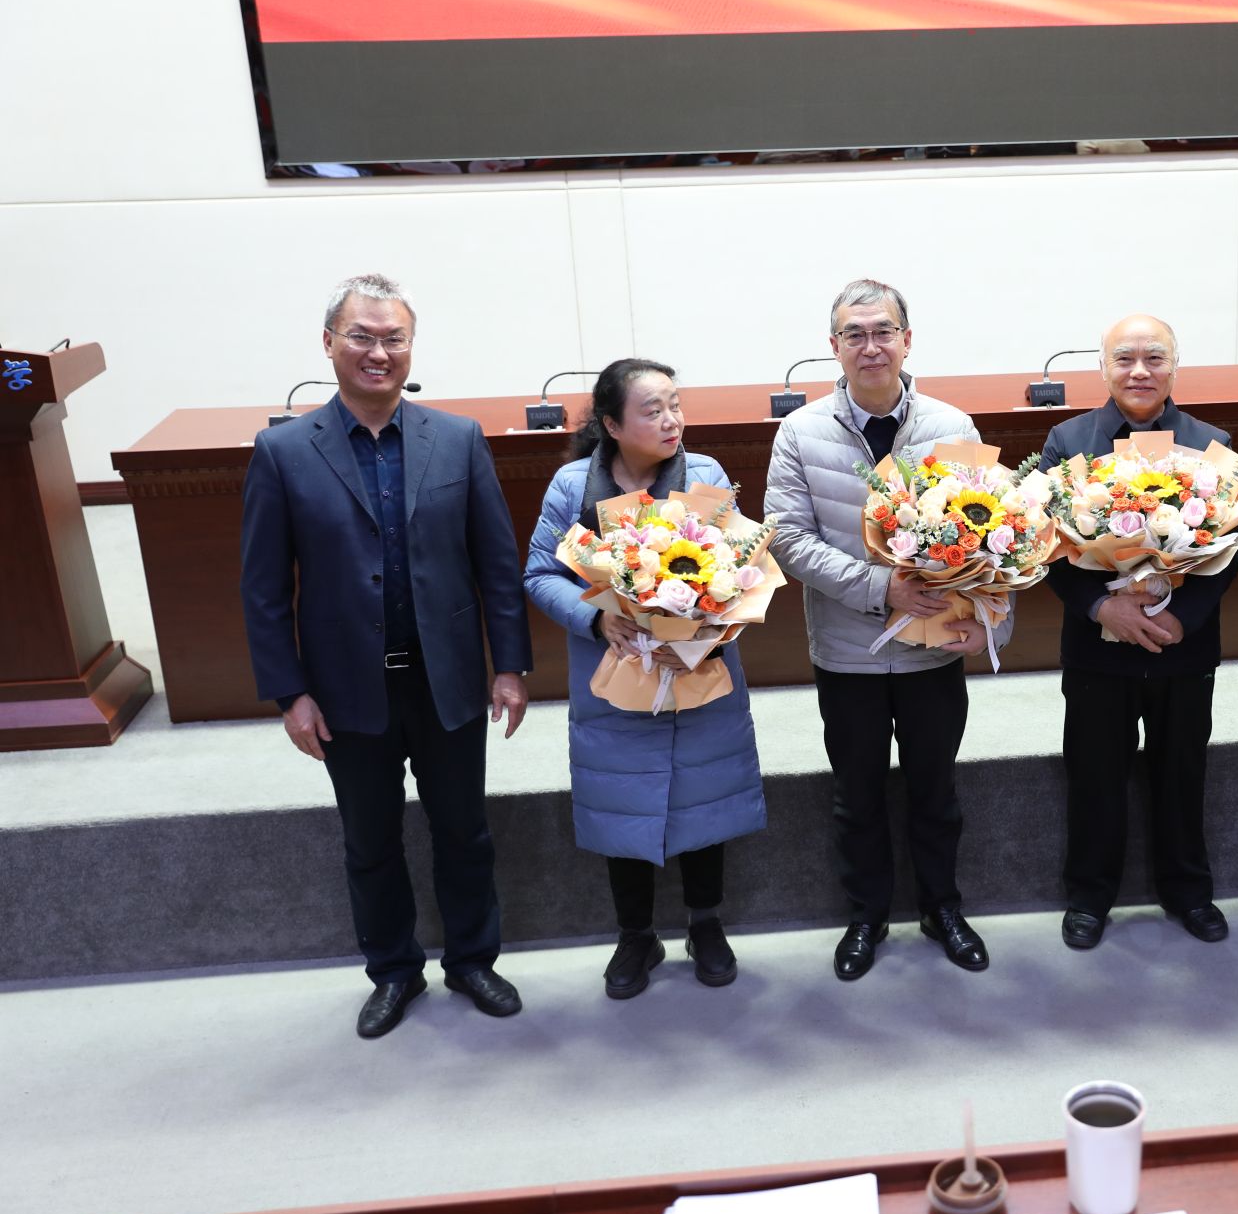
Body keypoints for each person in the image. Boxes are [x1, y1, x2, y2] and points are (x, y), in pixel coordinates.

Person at [240, 274, 533, 1038]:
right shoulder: (283, 451)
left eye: (393, 338)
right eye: (362, 336)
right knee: (369, 842)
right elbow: (263, 589)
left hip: (448, 681)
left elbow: (496, 563)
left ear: (411, 346)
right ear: (329, 342)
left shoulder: (458, 438)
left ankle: (472, 959)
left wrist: (509, 665)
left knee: (464, 832)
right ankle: (395, 971)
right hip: (345, 690)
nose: (379, 352)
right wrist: (289, 693)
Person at [762, 278, 1002, 981]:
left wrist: (992, 621)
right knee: (857, 795)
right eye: (855, 334)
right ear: (833, 346)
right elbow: (788, 540)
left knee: (936, 790)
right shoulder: (800, 432)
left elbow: (998, 535)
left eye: (883, 331)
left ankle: (942, 908)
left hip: (934, 648)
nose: (871, 346)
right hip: (848, 654)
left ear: (907, 339)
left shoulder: (953, 426)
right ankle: (865, 917)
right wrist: (881, 589)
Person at [522, 358, 768, 995]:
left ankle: (706, 925)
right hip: (615, 675)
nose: (670, 420)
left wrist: (707, 625)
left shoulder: (705, 474)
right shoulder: (574, 486)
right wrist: (595, 618)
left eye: (675, 405)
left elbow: (742, 567)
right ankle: (636, 936)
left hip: (699, 671)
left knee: (705, 798)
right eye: (652, 410)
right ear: (611, 424)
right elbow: (541, 574)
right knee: (621, 805)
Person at [1038, 314, 1238, 949]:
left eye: (1154, 357)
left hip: (1183, 646)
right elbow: (1046, 545)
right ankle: (1089, 894)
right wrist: (1102, 608)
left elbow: (1231, 545)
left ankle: (1189, 890)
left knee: (1183, 772)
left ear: (1175, 366)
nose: (1139, 371)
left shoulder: (1211, 445)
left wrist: (1185, 615)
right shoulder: (1069, 442)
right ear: (1103, 368)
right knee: (1094, 773)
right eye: (1124, 359)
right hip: (1098, 650)